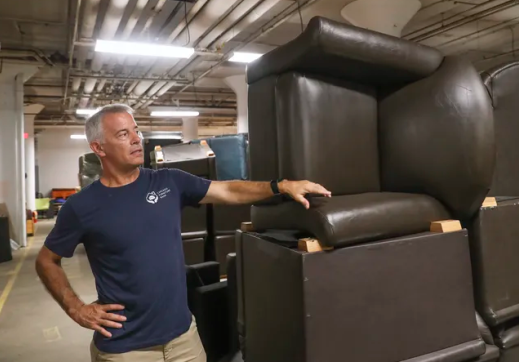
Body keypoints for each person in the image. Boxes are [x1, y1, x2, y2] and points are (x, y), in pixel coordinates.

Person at [35, 104, 331, 362]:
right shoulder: (81, 206)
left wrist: (280, 185)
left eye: (136, 131)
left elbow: (228, 190)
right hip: (125, 349)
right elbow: (46, 261)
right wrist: (76, 309)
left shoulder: (169, 182)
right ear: (98, 148)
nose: (137, 140)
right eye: (123, 134)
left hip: (183, 340)